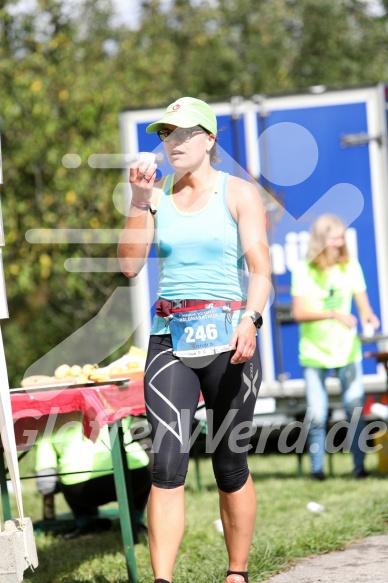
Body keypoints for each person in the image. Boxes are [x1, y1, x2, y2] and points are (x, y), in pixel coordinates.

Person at [118, 97, 271, 583]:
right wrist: (140, 202)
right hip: (170, 339)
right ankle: (161, 579)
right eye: (166, 135)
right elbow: (128, 265)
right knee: (166, 463)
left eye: (183, 134)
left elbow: (262, 271)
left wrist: (251, 319)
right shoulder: (155, 196)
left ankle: (236, 573)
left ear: (209, 139)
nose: (173, 144)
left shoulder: (240, 193)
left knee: (229, 463)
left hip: (230, 339)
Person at [291, 213, 380, 480]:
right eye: (334, 238)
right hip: (314, 353)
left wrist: (369, 317)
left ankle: (359, 468)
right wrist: (333, 315)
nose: (340, 243)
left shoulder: (350, 266)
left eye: (342, 237)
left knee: (354, 409)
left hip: (346, 351)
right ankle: (317, 471)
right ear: (320, 240)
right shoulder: (303, 270)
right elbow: (299, 312)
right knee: (317, 415)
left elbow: (363, 305)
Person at [35, 415, 152, 540]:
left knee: (67, 474)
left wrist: (59, 487)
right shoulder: (113, 406)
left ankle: (86, 522)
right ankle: (135, 517)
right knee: (145, 462)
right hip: (133, 476)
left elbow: (45, 484)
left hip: (81, 489)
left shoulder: (50, 422)